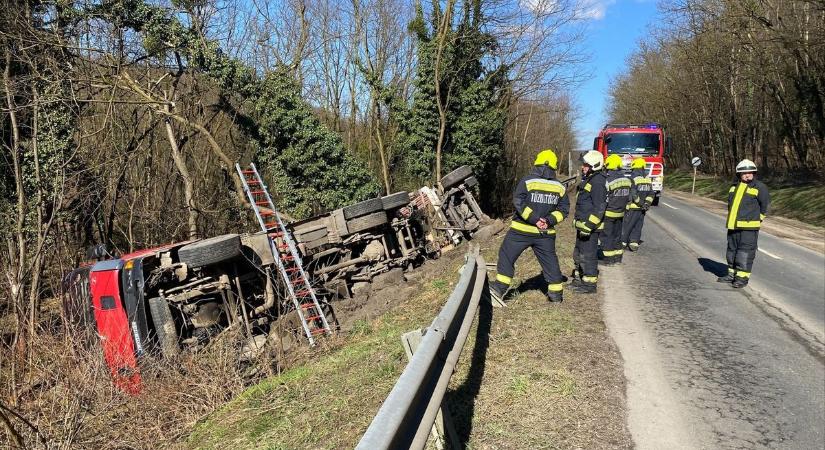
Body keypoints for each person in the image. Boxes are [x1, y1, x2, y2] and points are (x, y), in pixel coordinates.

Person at [490, 149, 570, 303]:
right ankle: (556, 295)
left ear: (538, 164)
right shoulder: (560, 186)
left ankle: (499, 287)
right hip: (545, 233)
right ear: (553, 167)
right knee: (550, 261)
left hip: (521, 231)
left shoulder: (527, 181)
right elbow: (564, 210)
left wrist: (534, 219)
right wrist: (548, 221)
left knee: (506, 255)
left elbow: (518, 202)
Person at [717, 159, 770, 288]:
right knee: (731, 251)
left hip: (749, 228)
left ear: (754, 173)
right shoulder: (733, 187)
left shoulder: (760, 187)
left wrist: (759, 219)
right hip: (733, 226)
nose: (747, 175)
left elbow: (766, 206)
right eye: (744, 173)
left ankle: (742, 278)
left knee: (745, 253)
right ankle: (731, 274)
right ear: (739, 175)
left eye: (750, 172)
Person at [571, 151, 607, 294]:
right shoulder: (590, 179)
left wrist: (589, 226)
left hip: (590, 228)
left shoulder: (598, 182)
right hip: (583, 226)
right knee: (578, 253)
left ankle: (589, 285)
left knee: (588, 255)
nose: (583, 167)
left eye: (586, 165)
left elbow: (599, 207)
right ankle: (580, 280)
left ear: (594, 165)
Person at [600, 154, 632, 265]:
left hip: (609, 213)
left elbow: (604, 197)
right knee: (617, 236)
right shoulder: (627, 180)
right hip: (621, 213)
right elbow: (629, 198)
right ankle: (618, 257)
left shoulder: (608, 180)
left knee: (607, 236)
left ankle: (609, 259)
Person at [622, 157, 654, 251]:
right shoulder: (648, 179)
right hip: (643, 209)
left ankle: (623, 242)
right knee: (638, 226)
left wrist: (640, 203)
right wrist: (646, 204)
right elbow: (651, 193)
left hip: (633, 207)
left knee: (628, 225)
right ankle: (634, 243)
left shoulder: (633, 178)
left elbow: (633, 193)